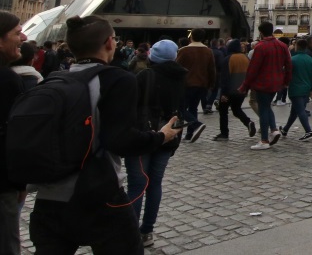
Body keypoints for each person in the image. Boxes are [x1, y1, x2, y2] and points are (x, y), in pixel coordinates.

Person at [27, 15, 181, 254]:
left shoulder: (54, 80)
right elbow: (120, 139)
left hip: (50, 196)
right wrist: (160, 137)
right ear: (110, 43)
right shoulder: (117, 79)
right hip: (99, 193)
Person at [126, 39, 187, 247]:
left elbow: (131, 104)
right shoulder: (181, 76)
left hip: (143, 134)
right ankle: (147, 230)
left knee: (137, 183)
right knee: (155, 183)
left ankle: (131, 231)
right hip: (169, 133)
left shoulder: (145, 75)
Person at [239, 22, 293, 150]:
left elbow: (253, 68)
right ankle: (274, 130)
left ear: (261, 32)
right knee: (267, 106)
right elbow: (289, 66)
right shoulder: (282, 46)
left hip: (262, 82)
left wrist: (245, 85)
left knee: (263, 109)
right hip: (277, 81)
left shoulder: (260, 47)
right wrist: (286, 81)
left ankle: (264, 140)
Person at [0, 14, 28, 254]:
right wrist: (19, 182)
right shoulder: (7, 80)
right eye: (16, 33)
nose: (23, 38)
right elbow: (12, 135)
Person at [174, 29, 216, 144]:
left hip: (186, 84)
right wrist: (211, 84)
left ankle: (196, 125)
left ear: (191, 36)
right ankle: (189, 134)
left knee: (180, 109)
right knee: (193, 108)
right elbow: (211, 69)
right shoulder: (208, 51)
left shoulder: (184, 50)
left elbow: (177, 67)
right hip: (202, 84)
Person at [213, 39, 257, 141]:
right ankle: (248, 122)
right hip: (242, 90)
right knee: (236, 109)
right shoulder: (246, 58)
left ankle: (224, 133)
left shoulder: (228, 59)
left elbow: (225, 78)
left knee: (223, 111)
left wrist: (223, 94)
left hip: (230, 90)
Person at [280, 39, 312, 140]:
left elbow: (286, 73)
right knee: (295, 111)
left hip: (295, 88)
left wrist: (284, 84)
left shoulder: (292, 59)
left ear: (297, 46)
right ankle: (285, 129)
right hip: (306, 88)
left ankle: (308, 131)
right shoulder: (310, 59)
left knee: (300, 110)